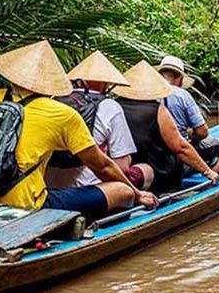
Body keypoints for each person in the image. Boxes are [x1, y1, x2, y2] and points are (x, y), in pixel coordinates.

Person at [0, 41, 158, 219]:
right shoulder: (61, 113)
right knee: (121, 191)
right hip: (27, 203)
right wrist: (138, 193)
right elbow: (103, 167)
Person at [45, 51, 155, 190]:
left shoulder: (53, 100)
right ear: (106, 82)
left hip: (47, 186)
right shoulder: (109, 106)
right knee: (146, 170)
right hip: (88, 188)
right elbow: (122, 166)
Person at [114, 61, 219, 193]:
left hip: (131, 166)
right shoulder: (157, 110)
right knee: (216, 145)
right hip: (161, 172)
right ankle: (213, 187)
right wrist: (207, 171)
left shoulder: (113, 106)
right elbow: (180, 147)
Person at [156, 55, 219, 174]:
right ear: (180, 79)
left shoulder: (146, 93)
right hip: (177, 159)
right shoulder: (182, 95)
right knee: (217, 144)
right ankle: (214, 180)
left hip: (153, 155)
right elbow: (202, 132)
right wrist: (190, 134)